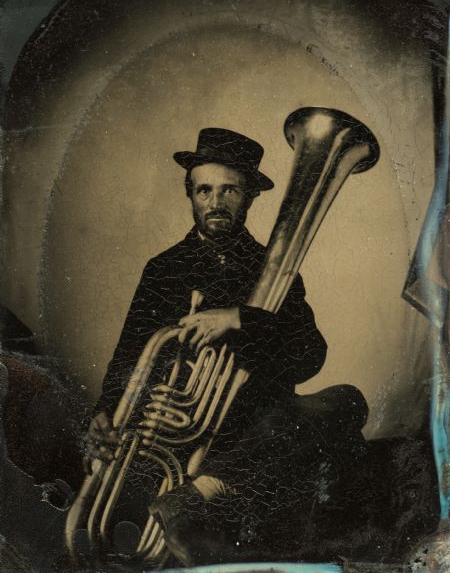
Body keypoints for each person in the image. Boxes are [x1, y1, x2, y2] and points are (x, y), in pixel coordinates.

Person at [85, 128, 368, 565]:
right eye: (204, 189)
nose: (215, 201)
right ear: (191, 195)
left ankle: (195, 495)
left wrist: (240, 318)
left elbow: (310, 355)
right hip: (184, 442)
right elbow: (129, 355)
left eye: (230, 189)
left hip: (259, 433)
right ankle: (194, 493)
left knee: (347, 401)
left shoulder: (277, 270)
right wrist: (105, 410)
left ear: (250, 196)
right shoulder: (163, 269)